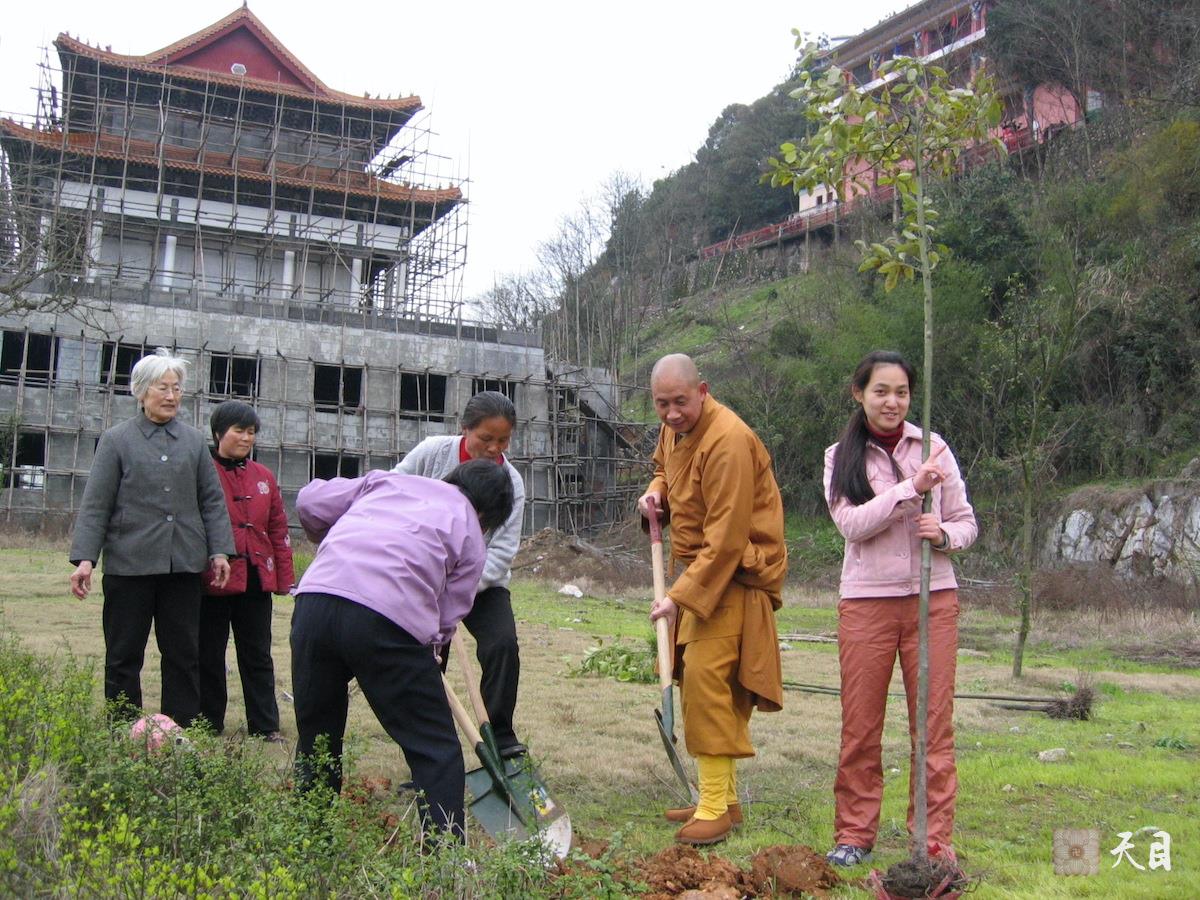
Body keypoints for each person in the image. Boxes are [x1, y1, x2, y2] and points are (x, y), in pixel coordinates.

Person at [289, 459, 514, 839]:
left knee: (318, 736)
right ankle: (444, 856)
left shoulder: (386, 483)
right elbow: (448, 616)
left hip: (315, 604)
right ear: (486, 516)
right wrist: (431, 648)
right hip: (386, 621)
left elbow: (310, 501)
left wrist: (323, 534)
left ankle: (311, 840)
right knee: (434, 746)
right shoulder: (471, 533)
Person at [822, 350, 978, 868]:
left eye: (902, 392)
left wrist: (945, 535)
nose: (892, 401)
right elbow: (851, 525)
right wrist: (911, 490)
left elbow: (966, 522)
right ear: (859, 394)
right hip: (866, 603)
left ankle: (932, 842)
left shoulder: (934, 448)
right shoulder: (839, 457)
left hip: (933, 601)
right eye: (881, 391)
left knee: (932, 727)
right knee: (861, 725)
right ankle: (854, 834)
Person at [637, 353, 788, 846]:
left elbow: (726, 539)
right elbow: (664, 468)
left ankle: (714, 809)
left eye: (680, 402)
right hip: (703, 573)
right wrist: (655, 491)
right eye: (662, 404)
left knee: (707, 681)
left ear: (702, 391)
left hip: (734, 576)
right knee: (706, 682)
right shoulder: (674, 430)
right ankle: (722, 800)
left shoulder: (728, 441)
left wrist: (677, 598)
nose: (672, 413)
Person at [69, 348, 234, 727]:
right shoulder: (117, 440)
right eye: (163, 388)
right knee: (123, 654)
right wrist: (85, 559)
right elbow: (96, 504)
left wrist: (220, 551)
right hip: (129, 566)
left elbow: (212, 501)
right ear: (142, 391)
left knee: (183, 654)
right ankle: (123, 728)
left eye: (177, 388)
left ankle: (180, 729)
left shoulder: (193, 442)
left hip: (182, 565)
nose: (172, 396)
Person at [392, 390, 527, 757]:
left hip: (482, 582)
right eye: (486, 438)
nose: (494, 448)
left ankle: (501, 736)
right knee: (429, 656)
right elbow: (393, 487)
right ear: (464, 428)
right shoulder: (433, 452)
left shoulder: (512, 482)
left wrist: (461, 586)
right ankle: (428, 743)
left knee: (502, 644)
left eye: (503, 440)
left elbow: (501, 551)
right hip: (426, 576)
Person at [198, 400, 294, 743]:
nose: (246, 438)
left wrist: (284, 578)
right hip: (212, 578)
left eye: (251, 432)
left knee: (257, 653)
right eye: (239, 430)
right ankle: (208, 721)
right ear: (218, 433)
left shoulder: (264, 476)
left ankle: (265, 725)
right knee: (208, 652)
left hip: (256, 577)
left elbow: (278, 528)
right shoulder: (202, 471)